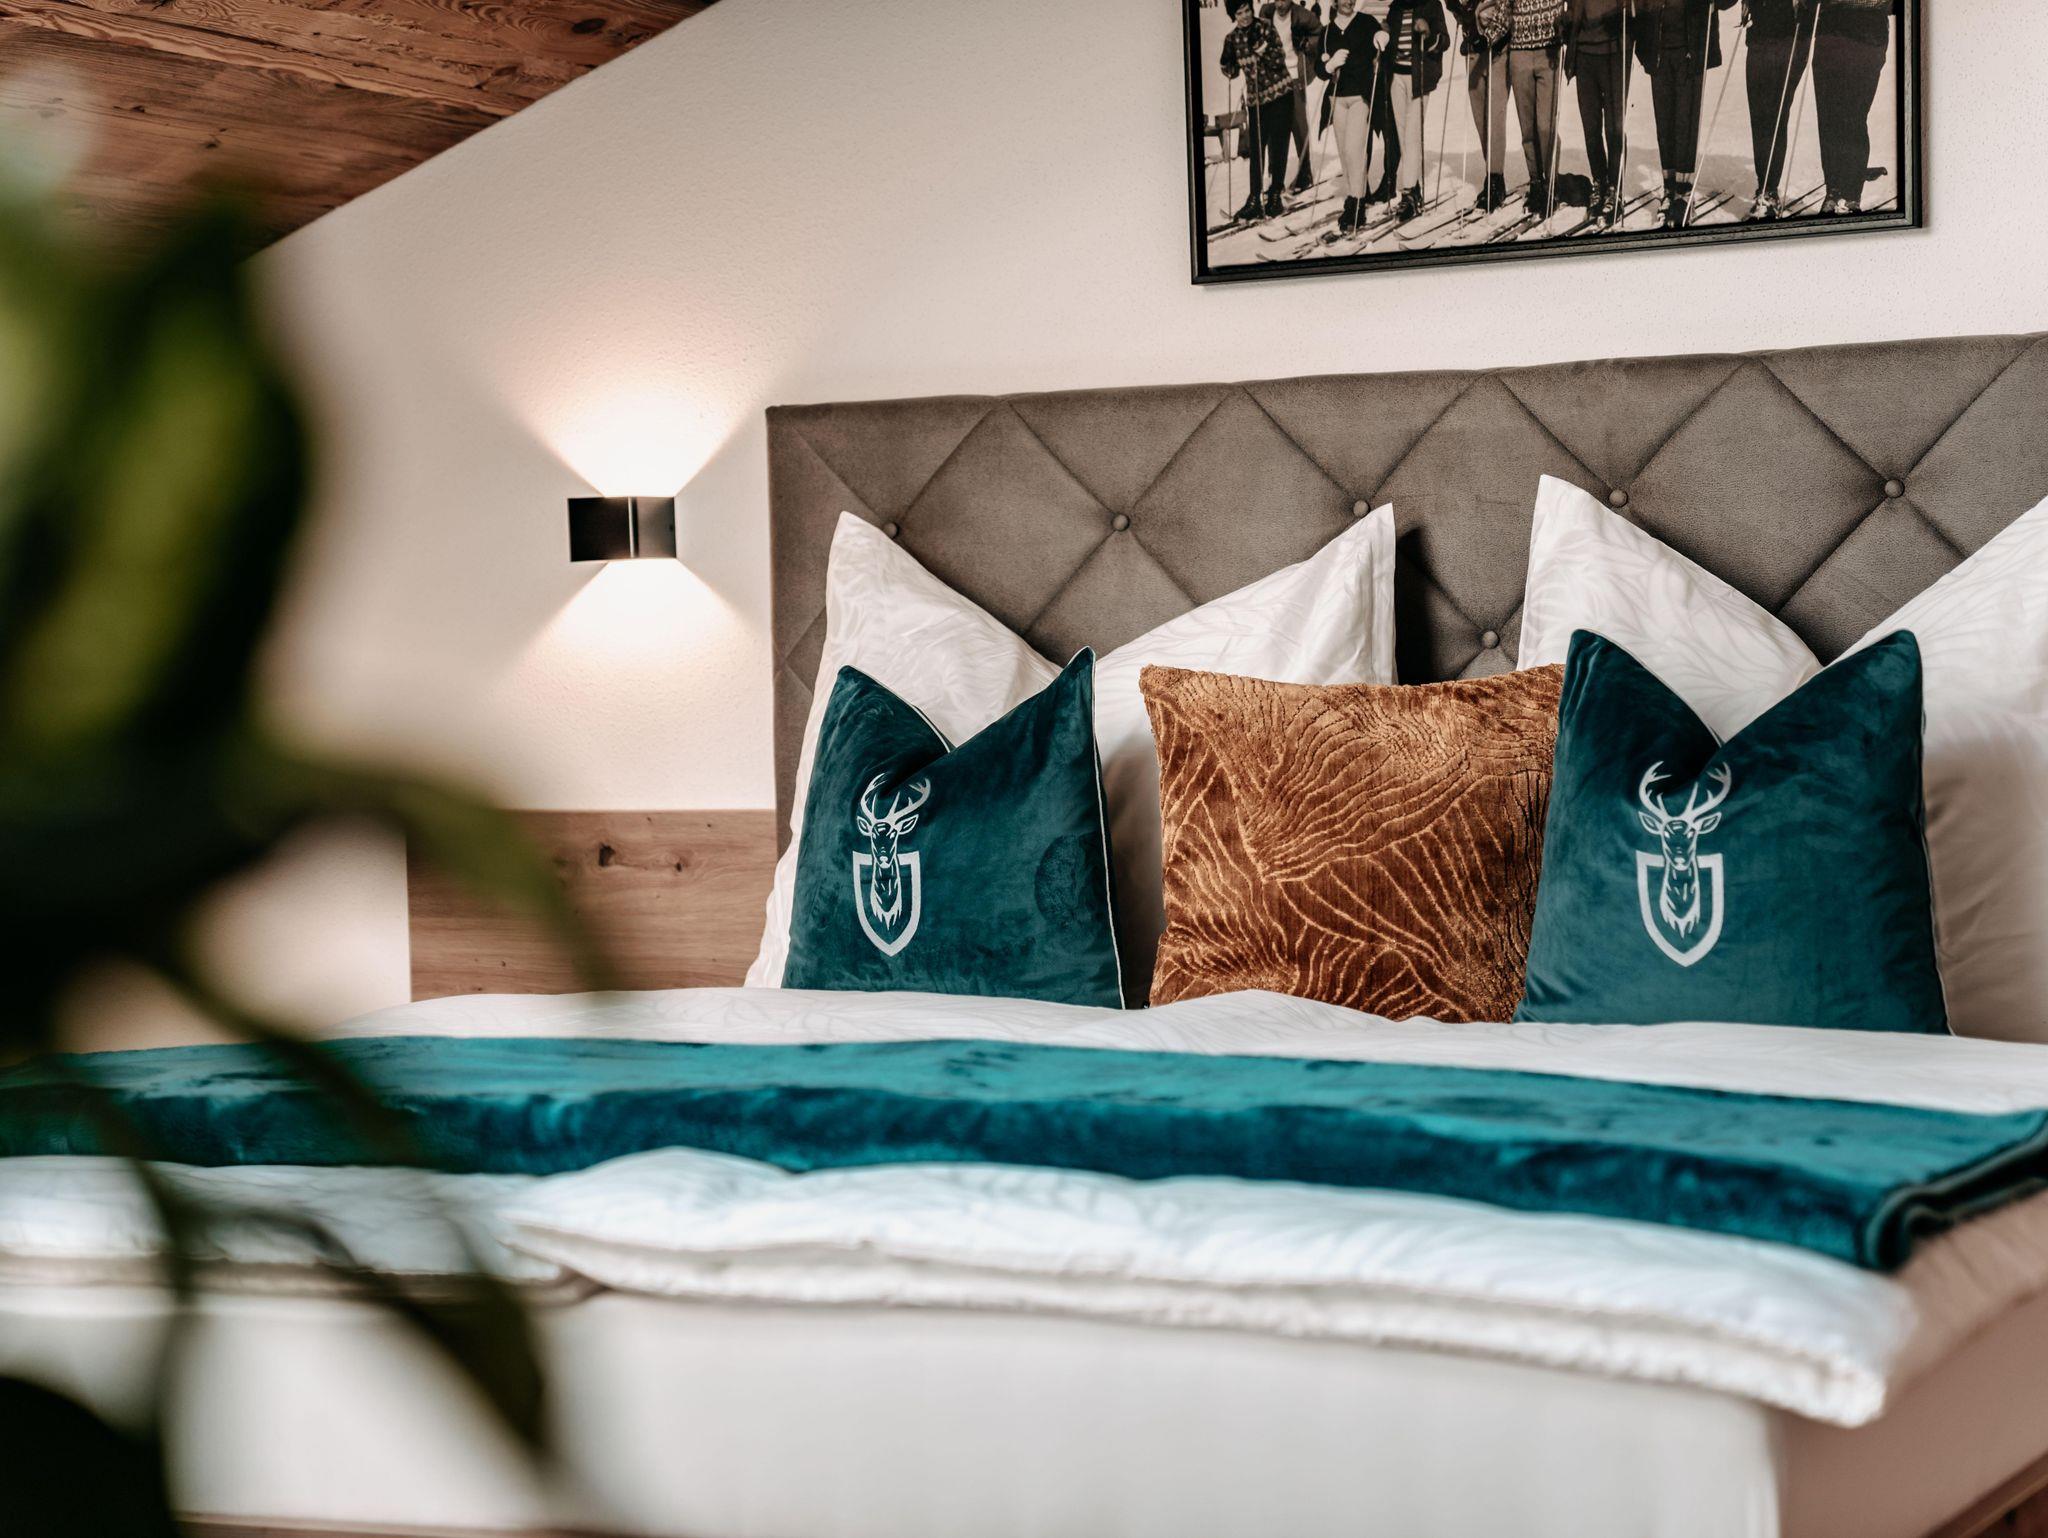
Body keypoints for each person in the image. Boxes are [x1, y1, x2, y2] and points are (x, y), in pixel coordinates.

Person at [1633, 0, 1737, 227]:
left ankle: (1683, 192)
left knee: (1685, 123)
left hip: (1691, 51)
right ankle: (1669, 189)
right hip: (1658, 51)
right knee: (1664, 124)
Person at [1219, 0, 1298, 221]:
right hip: (1256, 101)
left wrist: (1262, 48)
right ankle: (1254, 198)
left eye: (1247, 11)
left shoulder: (1265, 27)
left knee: (1278, 146)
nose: (1245, 16)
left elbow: (1279, 58)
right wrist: (1227, 63)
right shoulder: (1232, 38)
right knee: (1256, 150)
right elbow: (1232, 71)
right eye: (1239, 13)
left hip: (1280, 94)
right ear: (1233, 15)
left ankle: (1275, 195)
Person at [1812, 0, 1894, 213]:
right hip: (1830, 32)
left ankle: (1851, 195)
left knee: (1854, 117)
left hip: (1868, 34)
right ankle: (1833, 191)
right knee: (1829, 116)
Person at [1743, 0, 1812, 219]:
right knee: (1759, 114)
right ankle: (1763, 187)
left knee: (1776, 112)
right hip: (1759, 36)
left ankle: (1770, 191)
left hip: (1791, 37)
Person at [1564, 0, 1629, 226]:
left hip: (1614, 50)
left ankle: (1614, 189)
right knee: (1590, 126)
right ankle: (1599, 182)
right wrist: (1565, 21)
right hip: (1584, 51)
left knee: (1614, 126)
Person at [1322, 0, 1385, 233]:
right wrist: (1329, 66)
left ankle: (1358, 203)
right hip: (1337, 99)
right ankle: (1352, 196)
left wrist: (1381, 37)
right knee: (1344, 153)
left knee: (1354, 150)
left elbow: (1380, 37)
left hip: (1360, 96)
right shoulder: (1327, 31)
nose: (1348, 1)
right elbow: (1319, 68)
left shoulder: (1366, 22)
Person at [1446, 0, 1511, 211]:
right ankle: (1493, 172)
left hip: (1498, 51)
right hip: (1473, 49)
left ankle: (1495, 178)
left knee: (1495, 115)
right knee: (1480, 116)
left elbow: (1505, 10)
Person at [1507, 0, 1566, 219]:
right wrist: (1486, 34)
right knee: (1528, 127)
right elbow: (1503, 7)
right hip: (1519, 52)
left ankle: (1552, 184)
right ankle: (1536, 182)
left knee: (1545, 126)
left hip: (1549, 51)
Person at [1263, 0, 1327, 194]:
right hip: (1273, 78)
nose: (1281, 4)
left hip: (1295, 76)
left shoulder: (1302, 15)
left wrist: (1307, 43)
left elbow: (1321, 33)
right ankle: (1275, 177)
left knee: (1298, 125)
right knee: (1274, 128)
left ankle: (1305, 173)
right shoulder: (1266, 12)